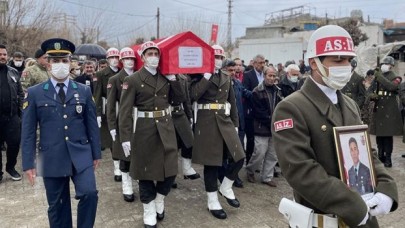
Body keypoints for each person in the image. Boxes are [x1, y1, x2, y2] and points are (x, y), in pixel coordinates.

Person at [272, 25, 398, 227]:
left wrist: (385, 187)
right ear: (314, 63)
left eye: (349, 60)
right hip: (324, 219)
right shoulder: (291, 108)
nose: (345, 66)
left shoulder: (349, 104)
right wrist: (353, 206)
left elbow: (366, 152)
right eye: (338, 60)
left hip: (363, 216)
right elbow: (300, 170)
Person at [21, 38, 101, 228]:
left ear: (71, 63)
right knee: (57, 205)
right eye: (55, 61)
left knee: (89, 194)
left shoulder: (83, 91)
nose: (60, 65)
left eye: (64, 60)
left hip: (80, 153)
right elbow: (28, 131)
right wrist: (28, 163)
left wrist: (96, 153)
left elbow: (91, 124)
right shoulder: (35, 93)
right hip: (51, 155)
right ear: (48, 63)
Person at [119, 41, 184, 228]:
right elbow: (124, 112)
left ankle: (159, 199)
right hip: (145, 129)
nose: (154, 56)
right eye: (150, 53)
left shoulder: (165, 77)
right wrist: (124, 137)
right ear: (142, 57)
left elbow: (178, 100)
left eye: (156, 53)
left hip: (166, 127)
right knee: (145, 172)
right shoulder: (132, 80)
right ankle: (148, 209)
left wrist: (174, 80)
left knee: (170, 170)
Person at [190, 44, 245, 220]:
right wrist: (205, 77)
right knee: (212, 163)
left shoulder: (226, 76)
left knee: (239, 156)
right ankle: (212, 200)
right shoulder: (199, 75)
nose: (218, 60)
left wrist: (235, 123)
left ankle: (226, 187)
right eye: (215, 56)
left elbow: (233, 102)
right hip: (207, 121)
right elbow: (192, 95)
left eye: (221, 57)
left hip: (224, 119)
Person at [107, 47, 136, 202]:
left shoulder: (139, 76)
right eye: (126, 59)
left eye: (132, 59)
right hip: (123, 120)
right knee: (125, 155)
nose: (130, 61)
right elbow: (110, 106)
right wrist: (112, 126)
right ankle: (127, 186)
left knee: (136, 152)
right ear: (122, 61)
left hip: (138, 120)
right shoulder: (115, 79)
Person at [246, 66, 282, 187]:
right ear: (264, 76)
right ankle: (250, 170)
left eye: (273, 76)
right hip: (261, 127)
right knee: (259, 152)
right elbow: (258, 112)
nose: (272, 78)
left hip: (274, 128)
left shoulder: (278, 91)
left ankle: (267, 177)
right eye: (269, 75)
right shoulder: (257, 91)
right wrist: (272, 122)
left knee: (273, 154)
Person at [94, 47, 122, 181]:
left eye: (117, 57)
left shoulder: (125, 72)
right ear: (107, 59)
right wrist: (98, 113)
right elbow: (97, 95)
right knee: (112, 138)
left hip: (123, 107)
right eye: (112, 58)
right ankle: (117, 166)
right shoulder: (101, 74)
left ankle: (124, 163)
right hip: (109, 108)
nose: (115, 60)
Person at [370, 56, 402, 167]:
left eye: (388, 64)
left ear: (392, 66)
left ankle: (388, 158)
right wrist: (372, 96)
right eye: (384, 63)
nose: (385, 65)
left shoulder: (396, 77)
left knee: (387, 136)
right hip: (379, 109)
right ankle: (380, 155)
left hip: (389, 110)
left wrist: (379, 77)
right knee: (379, 135)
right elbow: (369, 90)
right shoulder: (378, 77)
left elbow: (392, 87)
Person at [0, 44, 24, 182]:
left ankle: (11, 167)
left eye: (4, 54)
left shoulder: (13, 72)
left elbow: (20, 93)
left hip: (12, 117)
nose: (2, 57)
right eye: (0, 54)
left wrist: (20, 113)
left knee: (14, 144)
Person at [242, 54, 266, 165]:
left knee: (263, 140)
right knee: (251, 139)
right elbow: (245, 91)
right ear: (254, 63)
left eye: (263, 62)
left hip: (263, 111)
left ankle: (262, 164)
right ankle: (249, 163)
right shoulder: (247, 75)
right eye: (260, 63)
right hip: (251, 111)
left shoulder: (266, 75)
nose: (262, 65)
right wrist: (257, 96)